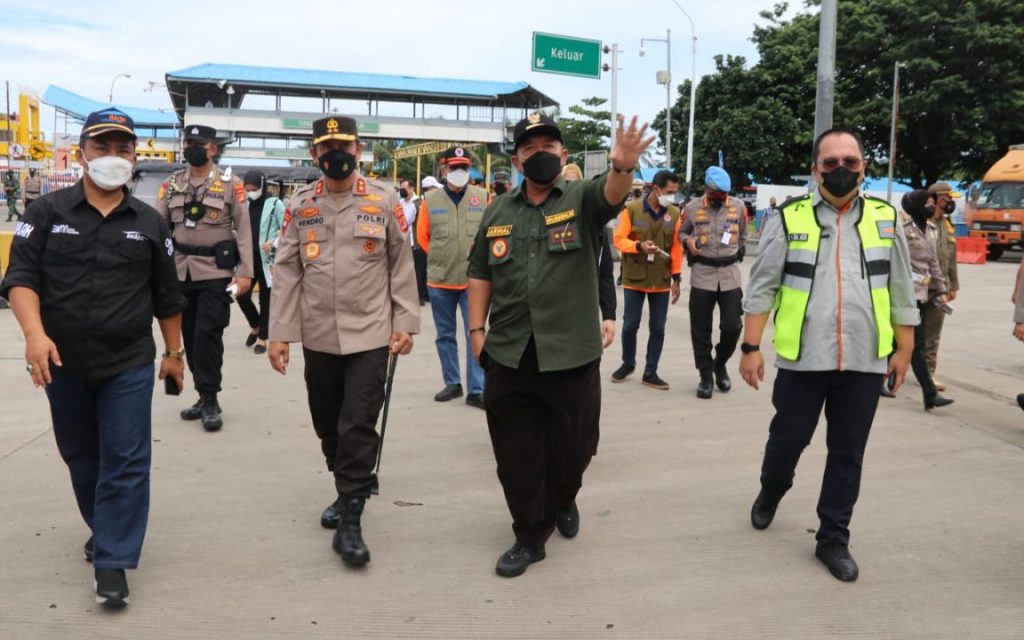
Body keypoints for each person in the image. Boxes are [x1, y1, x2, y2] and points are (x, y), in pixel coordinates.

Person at [1, 108, 186, 608]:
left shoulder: (150, 223)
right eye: (102, 147)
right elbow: (21, 278)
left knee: (126, 459)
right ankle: (104, 526)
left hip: (128, 361)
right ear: (82, 153)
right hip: (61, 362)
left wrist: (174, 354)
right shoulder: (46, 213)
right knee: (82, 456)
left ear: (135, 157)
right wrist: (34, 336)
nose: (112, 157)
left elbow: (167, 297)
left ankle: (113, 561)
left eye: (122, 148)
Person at [467, 112, 654, 577]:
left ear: (563, 154)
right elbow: (480, 271)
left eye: (548, 146)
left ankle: (563, 496)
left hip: (570, 353)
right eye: (529, 148)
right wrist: (476, 331)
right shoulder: (497, 210)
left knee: (575, 449)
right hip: (508, 352)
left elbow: (612, 194)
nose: (539, 154)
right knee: (515, 454)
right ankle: (530, 535)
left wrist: (623, 165)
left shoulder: (581, 198)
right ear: (516, 161)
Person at [739, 127, 918, 582]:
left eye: (850, 162)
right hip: (804, 359)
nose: (842, 170)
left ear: (864, 167)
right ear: (816, 169)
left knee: (848, 453)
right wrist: (750, 347)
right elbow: (762, 287)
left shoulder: (886, 219)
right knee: (787, 441)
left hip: (863, 359)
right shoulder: (789, 218)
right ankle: (771, 490)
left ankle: (833, 538)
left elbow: (901, 288)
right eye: (831, 162)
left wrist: (905, 348)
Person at [267, 116, 419, 566]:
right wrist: (279, 334)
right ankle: (345, 485)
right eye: (327, 147)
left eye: (345, 146)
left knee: (358, 423)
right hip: (318, 334)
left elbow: (401, 263)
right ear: (314, 154)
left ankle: (351, 517)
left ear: (359, 150)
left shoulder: (383, 199)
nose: (337, 154)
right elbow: (287, 269)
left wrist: (405, 321)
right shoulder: (301, 205)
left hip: (370, 332)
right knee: (328, 422)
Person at [156, 125, 253, 432]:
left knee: (207, 336)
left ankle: (210, 400)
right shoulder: (172, 184)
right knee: (189, 335)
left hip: (215, 273)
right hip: (180, 271)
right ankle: (202, 395)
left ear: (212, 148)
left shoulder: (231, 184)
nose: (191, 147)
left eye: (198, 143)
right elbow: (158, 227)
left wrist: (246, 273)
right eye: (188, 142)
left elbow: (244, 230)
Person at [417, 147, 487, 409]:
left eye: (464, 167)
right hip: (440, 280)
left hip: (474, 281)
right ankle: (453, 383)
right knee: (445, 335)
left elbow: (490, 234)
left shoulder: (483, 197)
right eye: (454, 167)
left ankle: (477, 389)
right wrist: (442, 255)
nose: (459, 172)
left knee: (475, 333)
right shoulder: (430, 200)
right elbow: (423, 237)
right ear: (443, 169)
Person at [611, 169, 683, 389]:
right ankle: (628, 363)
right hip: (635, 278)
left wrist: (677, 279)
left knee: (658, 328)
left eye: (674, 192)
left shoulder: (675, 214)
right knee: (630, 325)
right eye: (669, 192)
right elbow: (618, 239)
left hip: (661, 280)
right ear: (656, 188)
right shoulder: (632, 210)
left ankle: (650, 372)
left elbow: (677, 248)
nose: (671, 196)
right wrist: (638, 246)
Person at [679, 166, 747, 398]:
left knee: (732, 326)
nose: (720, 198)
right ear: (707, 189)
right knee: (700, 329)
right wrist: (687, 242)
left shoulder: (738, 206)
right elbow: (682, 232)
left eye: (723, 195)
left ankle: (720, 363)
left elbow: (743, 235)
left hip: (730, 276)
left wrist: (734, 250)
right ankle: (705, 376)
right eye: (716, 194)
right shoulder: (692, 208)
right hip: (702, 275)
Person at [900, 189, 954, 409]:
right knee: (916, 344)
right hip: (904, 294)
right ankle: (929, 393)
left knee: (902, 343)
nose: (931, 206)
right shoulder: (903, 229)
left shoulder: (931, 230)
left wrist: (942, 290)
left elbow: (934, 263)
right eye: (927, 203)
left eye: (932, 202)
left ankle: (882, 382)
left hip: (922, 295)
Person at [561, 163, 617, 348]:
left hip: (584, 308)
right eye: (566, 183)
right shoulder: (548, 220)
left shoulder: (594, 224)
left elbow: (605, 273)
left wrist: (609, 315)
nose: (571, 189)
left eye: (575, 184)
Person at [236, 170, 285, 355]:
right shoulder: (245, 205)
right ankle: (256, 325)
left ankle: (263, 338)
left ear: (262, 186)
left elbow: (288, 229)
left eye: (254, 189)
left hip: (268, 261)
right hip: (248, 260)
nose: (251, 192)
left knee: (266, 300)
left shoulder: (275, 204)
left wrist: (273, 243)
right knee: (241, 295)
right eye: (247, 189)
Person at [923, 181, 960, 389]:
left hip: (940, 289)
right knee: (908, 332)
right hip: (919, 286)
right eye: (947, 198)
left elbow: (951, 258)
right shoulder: (919, 221)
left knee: (933, 333)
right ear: (935, 198)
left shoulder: (947, 225)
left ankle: (928, 374)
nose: (950, 202)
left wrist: (953, 285)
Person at [399, 178, 427, 306]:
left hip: (416, 242)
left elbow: (408, 221)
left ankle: (419, 296)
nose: (402, 191)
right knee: (405, 271)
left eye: (404, 189)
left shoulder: (419, 203)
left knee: (419, 271)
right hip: (403, 242)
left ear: (411, 188)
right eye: (400, 189)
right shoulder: (400, 202)